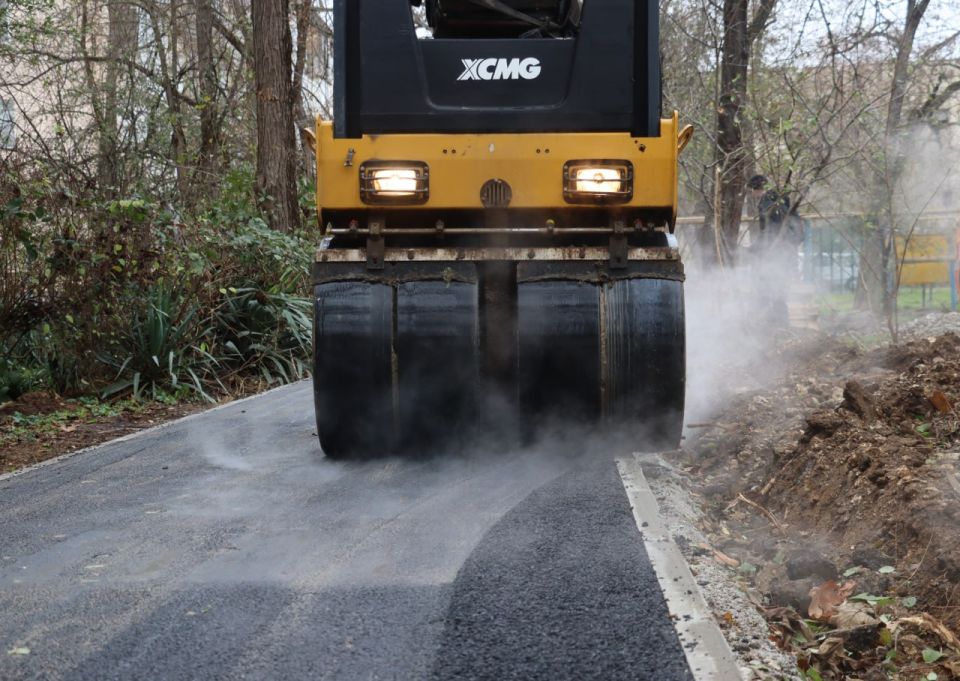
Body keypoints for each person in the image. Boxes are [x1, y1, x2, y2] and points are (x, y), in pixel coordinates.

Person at [747, 174, 801, 327]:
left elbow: (770, 231)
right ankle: (778, 323)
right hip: (786, 252)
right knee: (777, 288)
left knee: (768, 288)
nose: (751, 195)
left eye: (751, 191)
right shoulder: (780, 199)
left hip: (777, 253)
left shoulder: (767, 203)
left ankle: (774, 324)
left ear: (756, 189)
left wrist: (754, 249)